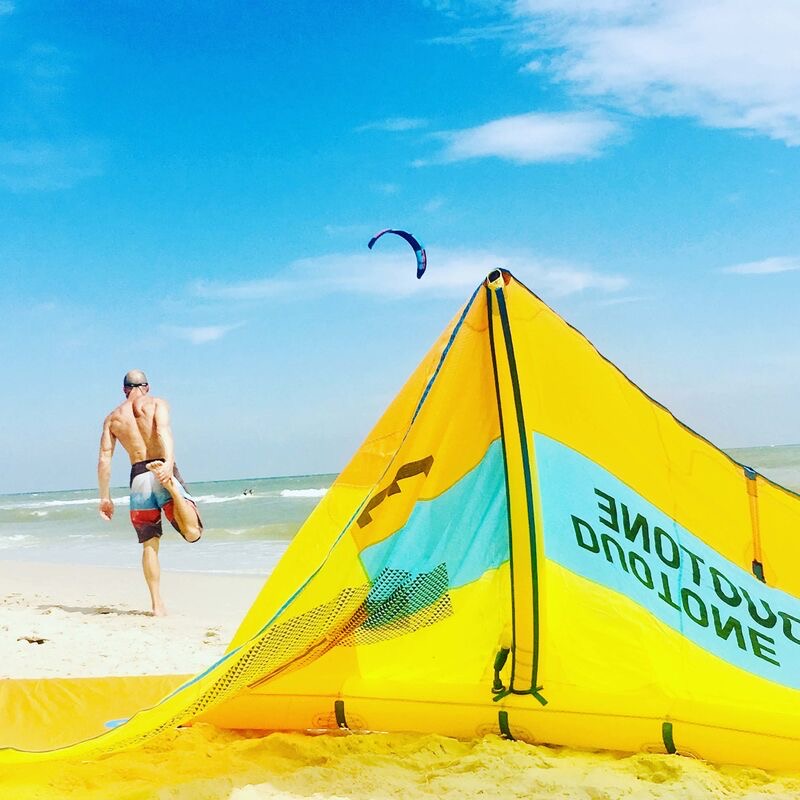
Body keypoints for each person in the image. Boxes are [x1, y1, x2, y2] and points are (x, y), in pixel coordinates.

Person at [97, 370, 203, 616]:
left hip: (139, 479)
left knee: (149, 544)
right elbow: (164, 431)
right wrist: (168, 466)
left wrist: (105, 496)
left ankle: (156, 605)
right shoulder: (157, 403)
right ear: (147, 386)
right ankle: (174, 493)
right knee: (192, 532)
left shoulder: (113, 419)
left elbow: (104, 459)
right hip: (162, 469)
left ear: (124, 389)